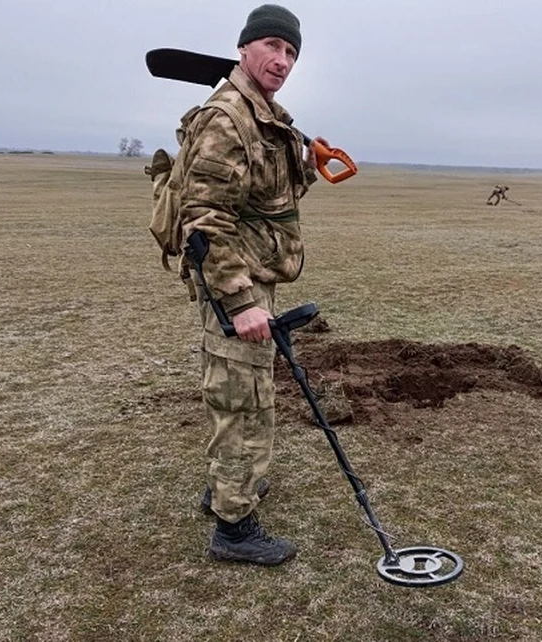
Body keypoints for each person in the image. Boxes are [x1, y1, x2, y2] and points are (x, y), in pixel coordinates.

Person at [177, 4, 327, 566]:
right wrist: (239, 302)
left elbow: (269, 199)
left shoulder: (266, 115)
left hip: (253, 272)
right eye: (272, 46)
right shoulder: (228, 116)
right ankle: (234, 529)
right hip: (235, 282)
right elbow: (204, 217)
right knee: (244, 400)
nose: (282, 60)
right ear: (245, 48)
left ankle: (227, 490)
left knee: (244, 391)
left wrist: (306, 162)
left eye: (291, 52)